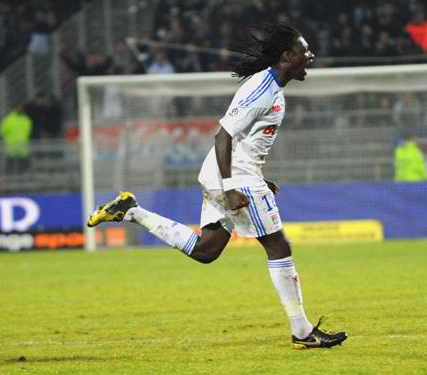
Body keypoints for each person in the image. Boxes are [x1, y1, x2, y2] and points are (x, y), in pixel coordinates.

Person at [87, 23, 347, 350]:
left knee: (206, 250)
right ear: (286, 56)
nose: (310, 56)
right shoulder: (262, 89)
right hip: (233, 178)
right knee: (279, 247)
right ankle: (302, 331)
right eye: (304, 51)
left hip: (233, 173)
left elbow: (242, 141)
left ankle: (132, 212)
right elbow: (223, 135)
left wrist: (253, 175)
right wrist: (230, 186)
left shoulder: (272, 88)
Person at [0, 104, 33, 174]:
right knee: (11, 170)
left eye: (21, 108)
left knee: (22, 169)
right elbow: (1, 133)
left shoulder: (26, 120)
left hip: (22, 149)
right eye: (18, 108)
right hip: (12, 149)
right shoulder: (8, 120)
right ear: (14, 109)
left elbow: (2, 133)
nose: (20, 109)